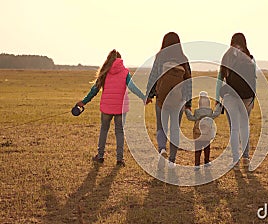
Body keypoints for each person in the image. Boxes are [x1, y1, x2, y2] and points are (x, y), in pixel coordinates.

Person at [76, 49, 146, 167]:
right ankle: (119, 159)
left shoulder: (105, 71)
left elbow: (94, 89)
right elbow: (132, 87)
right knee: (119, 132)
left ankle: (100, 156)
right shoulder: (125, 72)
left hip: (106, 108)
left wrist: (84, 102)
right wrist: (143, 97)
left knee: (104, 130)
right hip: (121, 108)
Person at [145, 32, 192, 168]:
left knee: (161, 127)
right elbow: (188, 82)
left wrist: (149, 95)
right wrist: (188, 103)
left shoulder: (160, 58)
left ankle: (162, 149)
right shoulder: (183, 58)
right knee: (175, 129)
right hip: (179, 101)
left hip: (162, 99)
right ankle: (172, 160)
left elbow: (153, 77)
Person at [216, 33, 256, 170]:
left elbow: (220, 78)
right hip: (247, 97)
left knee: (234, 128)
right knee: (244, 126)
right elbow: (254, 79)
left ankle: (235, 160)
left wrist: (217, 99)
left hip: (230, 96)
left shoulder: (227, 56)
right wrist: (253, 98)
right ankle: (245, 157)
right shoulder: (249, 56)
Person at [185, 91, 222, 171]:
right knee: (207, 148)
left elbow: (191, 117)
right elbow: (216, 113)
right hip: (207, 134)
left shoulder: (197, 113)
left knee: (198, 150)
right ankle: (206, 162)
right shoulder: (210, 112)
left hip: (198, 134)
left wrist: (187, 110)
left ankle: (197, 164)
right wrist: (219, 105)